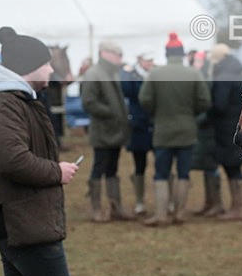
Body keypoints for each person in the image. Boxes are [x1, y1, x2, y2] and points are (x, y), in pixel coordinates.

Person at [0, 26, 79, 276]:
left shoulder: (15, 100)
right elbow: (12, 161)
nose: (51, 69)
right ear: (30, 66)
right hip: (19, 220)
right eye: (46, 63)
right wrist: (56, 172)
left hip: (22, 217)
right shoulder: (1, 104)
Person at [139, 32, 211, 226]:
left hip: (162, 130)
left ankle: (161, 215)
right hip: (187, 130)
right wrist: (191, 113)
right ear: (182, 52)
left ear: (166, 53)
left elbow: (145, 100)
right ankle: (180, 213)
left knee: (161, 173)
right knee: (183, 172)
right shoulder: (193, 74)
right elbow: (204, 101)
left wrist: (156, 113)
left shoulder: (155, 74)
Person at [81, 39, 134, 222]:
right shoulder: (94, 73)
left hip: (115, 130)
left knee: (113, 168)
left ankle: (115, 206)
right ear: (105, 53)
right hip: (103, 131)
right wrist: (111, 113)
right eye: (117, 54)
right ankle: (96, 209)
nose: (120, 58)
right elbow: (88, 102)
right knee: (99, 167)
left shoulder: (111, 73)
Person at [206, 43, 242, 221]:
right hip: (237, 124)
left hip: (225, 127)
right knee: (234, 166)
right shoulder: (238, 73)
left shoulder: (223, 76)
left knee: (232, 167)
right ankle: (236, 206)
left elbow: (219, 105)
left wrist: (206, 114)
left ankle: (237, 208)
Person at [189, 49, 225, 217]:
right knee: (206, 166)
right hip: (204, 131)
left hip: (208, 130)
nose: (194, 64)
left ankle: (216, 203)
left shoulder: (207, 80)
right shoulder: (202, 78)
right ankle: (209, 202)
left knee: (211, 166)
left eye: (197, 61)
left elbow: (208, 106)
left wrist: (198, 120)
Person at [121, 48, 155, 215]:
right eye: (147, 60)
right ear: (140, 60)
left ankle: (164, 201)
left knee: (161, 164)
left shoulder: (155, 74)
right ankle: (139, 201)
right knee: (139, 165)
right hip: (138, 126)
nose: (149, 63)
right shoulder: (131, 76)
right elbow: (127, 90)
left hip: (154, 124)